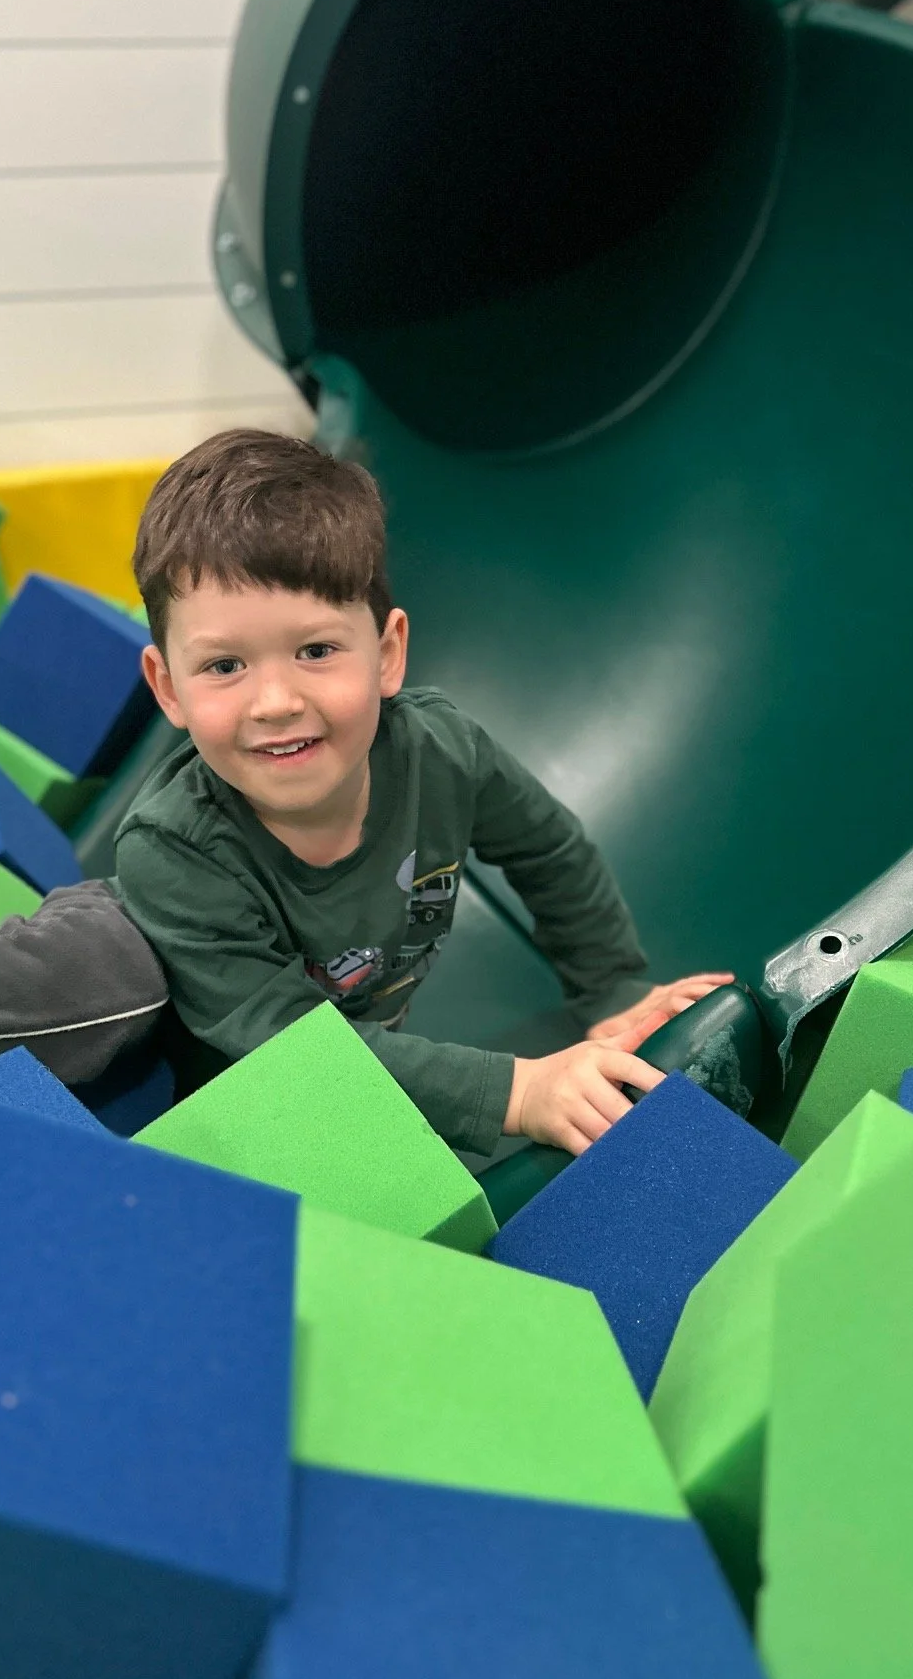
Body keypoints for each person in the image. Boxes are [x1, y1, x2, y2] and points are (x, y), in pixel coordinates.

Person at [114, 429, 732, 1160]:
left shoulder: (439, 752)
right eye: (224, 666)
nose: (275, 701)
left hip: (359, 1075)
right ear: (167, 687)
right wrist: (519, 1092)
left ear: (388, 653)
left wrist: (613, 988)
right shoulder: (175, 850)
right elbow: (291, 1053)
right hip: (227, 1127)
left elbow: (549, 851)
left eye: (315, 651)